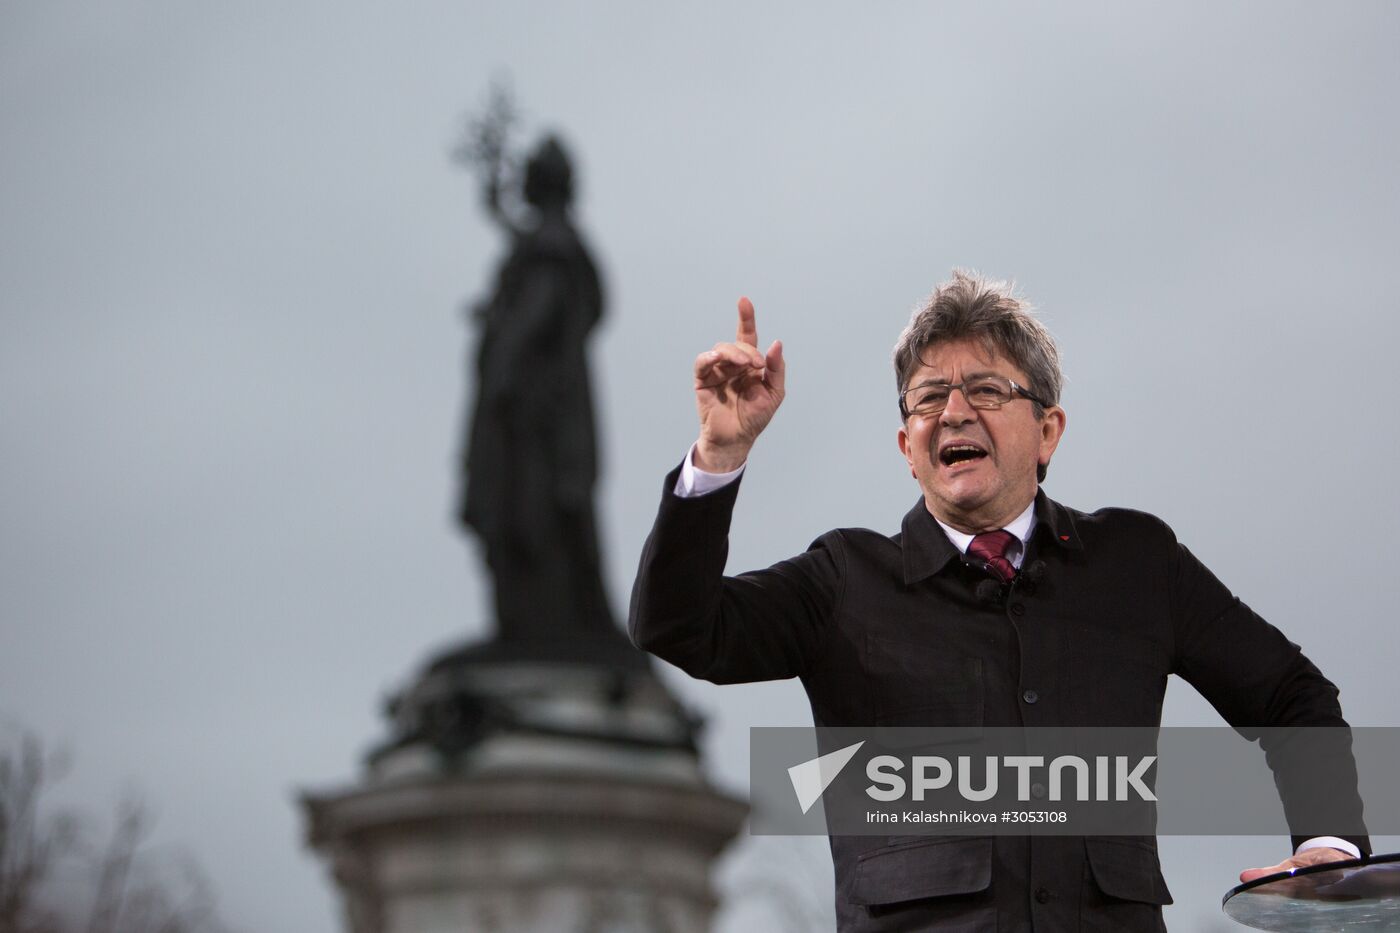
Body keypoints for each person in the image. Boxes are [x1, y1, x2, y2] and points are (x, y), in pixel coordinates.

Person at [628, 272, 1368, 931]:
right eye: (928, 397)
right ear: (906, 445)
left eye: (986, 389)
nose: (953, 411)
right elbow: (680, 627)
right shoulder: (843, 579)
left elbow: (1291, 694)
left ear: (1047, 431)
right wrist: (719, 456)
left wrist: (1328, 848)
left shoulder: (1137, 565)